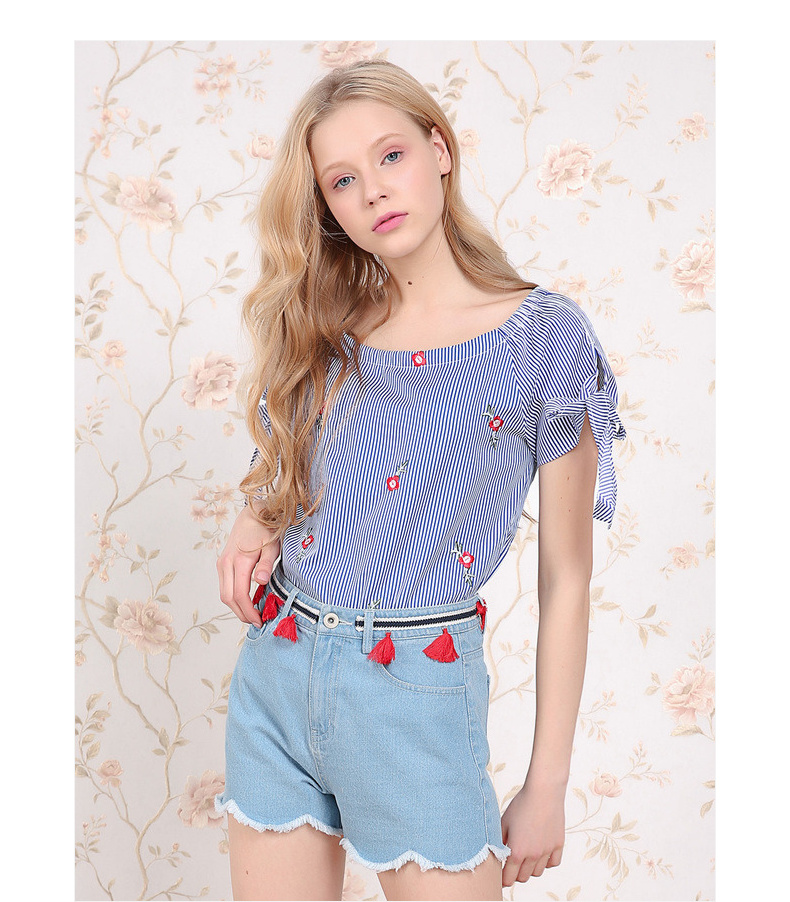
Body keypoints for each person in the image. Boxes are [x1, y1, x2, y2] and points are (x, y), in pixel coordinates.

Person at [214, 59, 627, 902]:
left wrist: (547, 785)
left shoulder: (543, 339)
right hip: (278, 675)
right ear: (327, 207)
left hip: (417, 688)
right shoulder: (327, 326)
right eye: (342, 180)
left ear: (439, 150)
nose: (373, 190)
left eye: (391, 155)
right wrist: (258, 514)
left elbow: (566, 578)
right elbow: (300, 459)